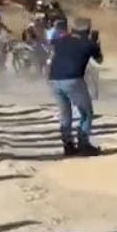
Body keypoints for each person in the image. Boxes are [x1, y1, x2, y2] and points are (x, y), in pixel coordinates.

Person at [47, 17, 103, 156]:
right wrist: (96, 43)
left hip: (54, 80)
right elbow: (99, 60)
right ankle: (83, 144)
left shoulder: (59, 41)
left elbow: (52, 52)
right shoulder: (88, 44)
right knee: (86, 113)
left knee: (65, 114)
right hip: (73, 80)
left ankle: (68, 145)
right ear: (88, 31)